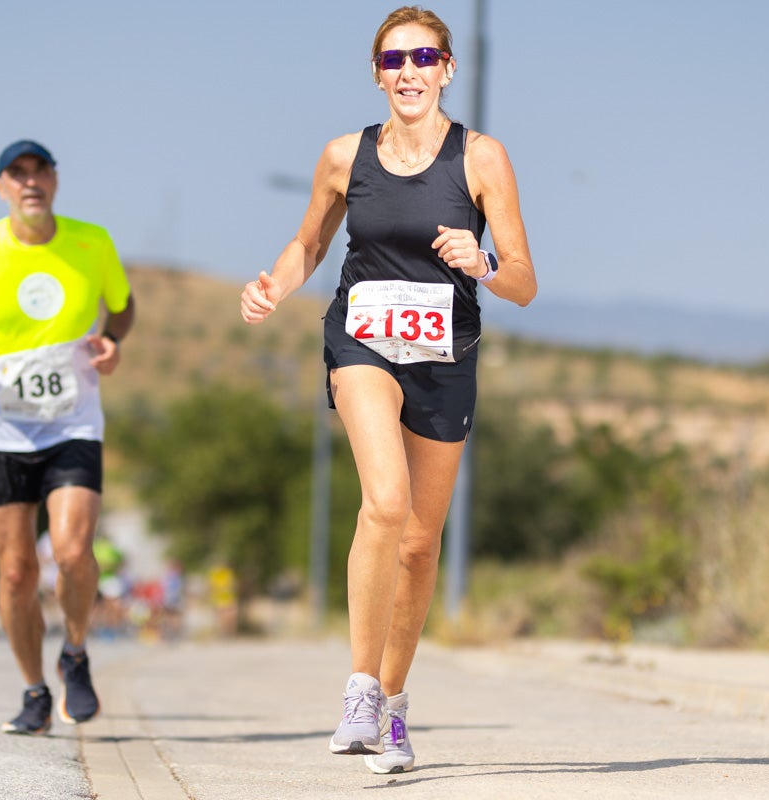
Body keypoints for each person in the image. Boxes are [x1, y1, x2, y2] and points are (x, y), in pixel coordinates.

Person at [240, 6, 537, 775]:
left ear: (448, 68)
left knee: (418, 541)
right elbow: (309, 241)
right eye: (394, 58)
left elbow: (526, 284)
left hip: (445, 354)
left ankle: (395, 708)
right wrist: (273, 285)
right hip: (363, 339)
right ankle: (360, 687)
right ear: (377, 72)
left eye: (424, 57)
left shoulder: (482, 158)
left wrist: (483, 261)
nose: (409, 71)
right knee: (384, 501)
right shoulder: (346, 155)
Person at [0, 139, 135, 735]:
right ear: (1, 188)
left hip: (72, 423)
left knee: (70, 553)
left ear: (55, 182)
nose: (30, 181)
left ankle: (76, 651)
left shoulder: (92, 242)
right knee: (15, 573)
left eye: (40, 171)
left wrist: (113, 341)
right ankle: (35, 690)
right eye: (18, 173)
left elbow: (122, 306)